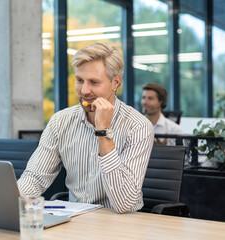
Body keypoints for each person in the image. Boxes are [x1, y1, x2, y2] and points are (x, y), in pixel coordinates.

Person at [18, 42, 154, 213]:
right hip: (76, 220)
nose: (84, 90)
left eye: (94, 82)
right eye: (79, 80)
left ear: (115, 82)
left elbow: (124, 204)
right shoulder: (60, 121)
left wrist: (103, 131)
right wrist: (10, 201)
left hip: (121, 224)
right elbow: (35, 177)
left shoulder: (138, 126)